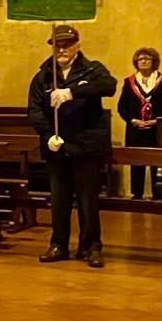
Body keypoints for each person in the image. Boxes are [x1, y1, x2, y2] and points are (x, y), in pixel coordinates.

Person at [29, 26, 116, 268]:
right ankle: (58, 244)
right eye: (57, 45)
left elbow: (109, 86)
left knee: (88, 202)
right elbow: (35, 110)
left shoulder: (92, 69)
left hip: (86, 147)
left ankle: (91, 246)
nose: (62, 49)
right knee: (59, 201)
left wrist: (72, 92)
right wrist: (48, 135)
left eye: (67, 44)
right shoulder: (44, 76)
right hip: (57, 148)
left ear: (77, 45)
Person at [117, 46, 162, 200]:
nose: (143, 61)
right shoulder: (129, 82)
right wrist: (133, 120)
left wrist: (156, 121)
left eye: (147, 59)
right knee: (136, 161)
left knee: (156, 160)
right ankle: (137, 194)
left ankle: (158, 195)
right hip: (135, 129)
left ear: (154, 62)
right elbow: (122, 107)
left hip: (156, 129)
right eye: (140, 59)